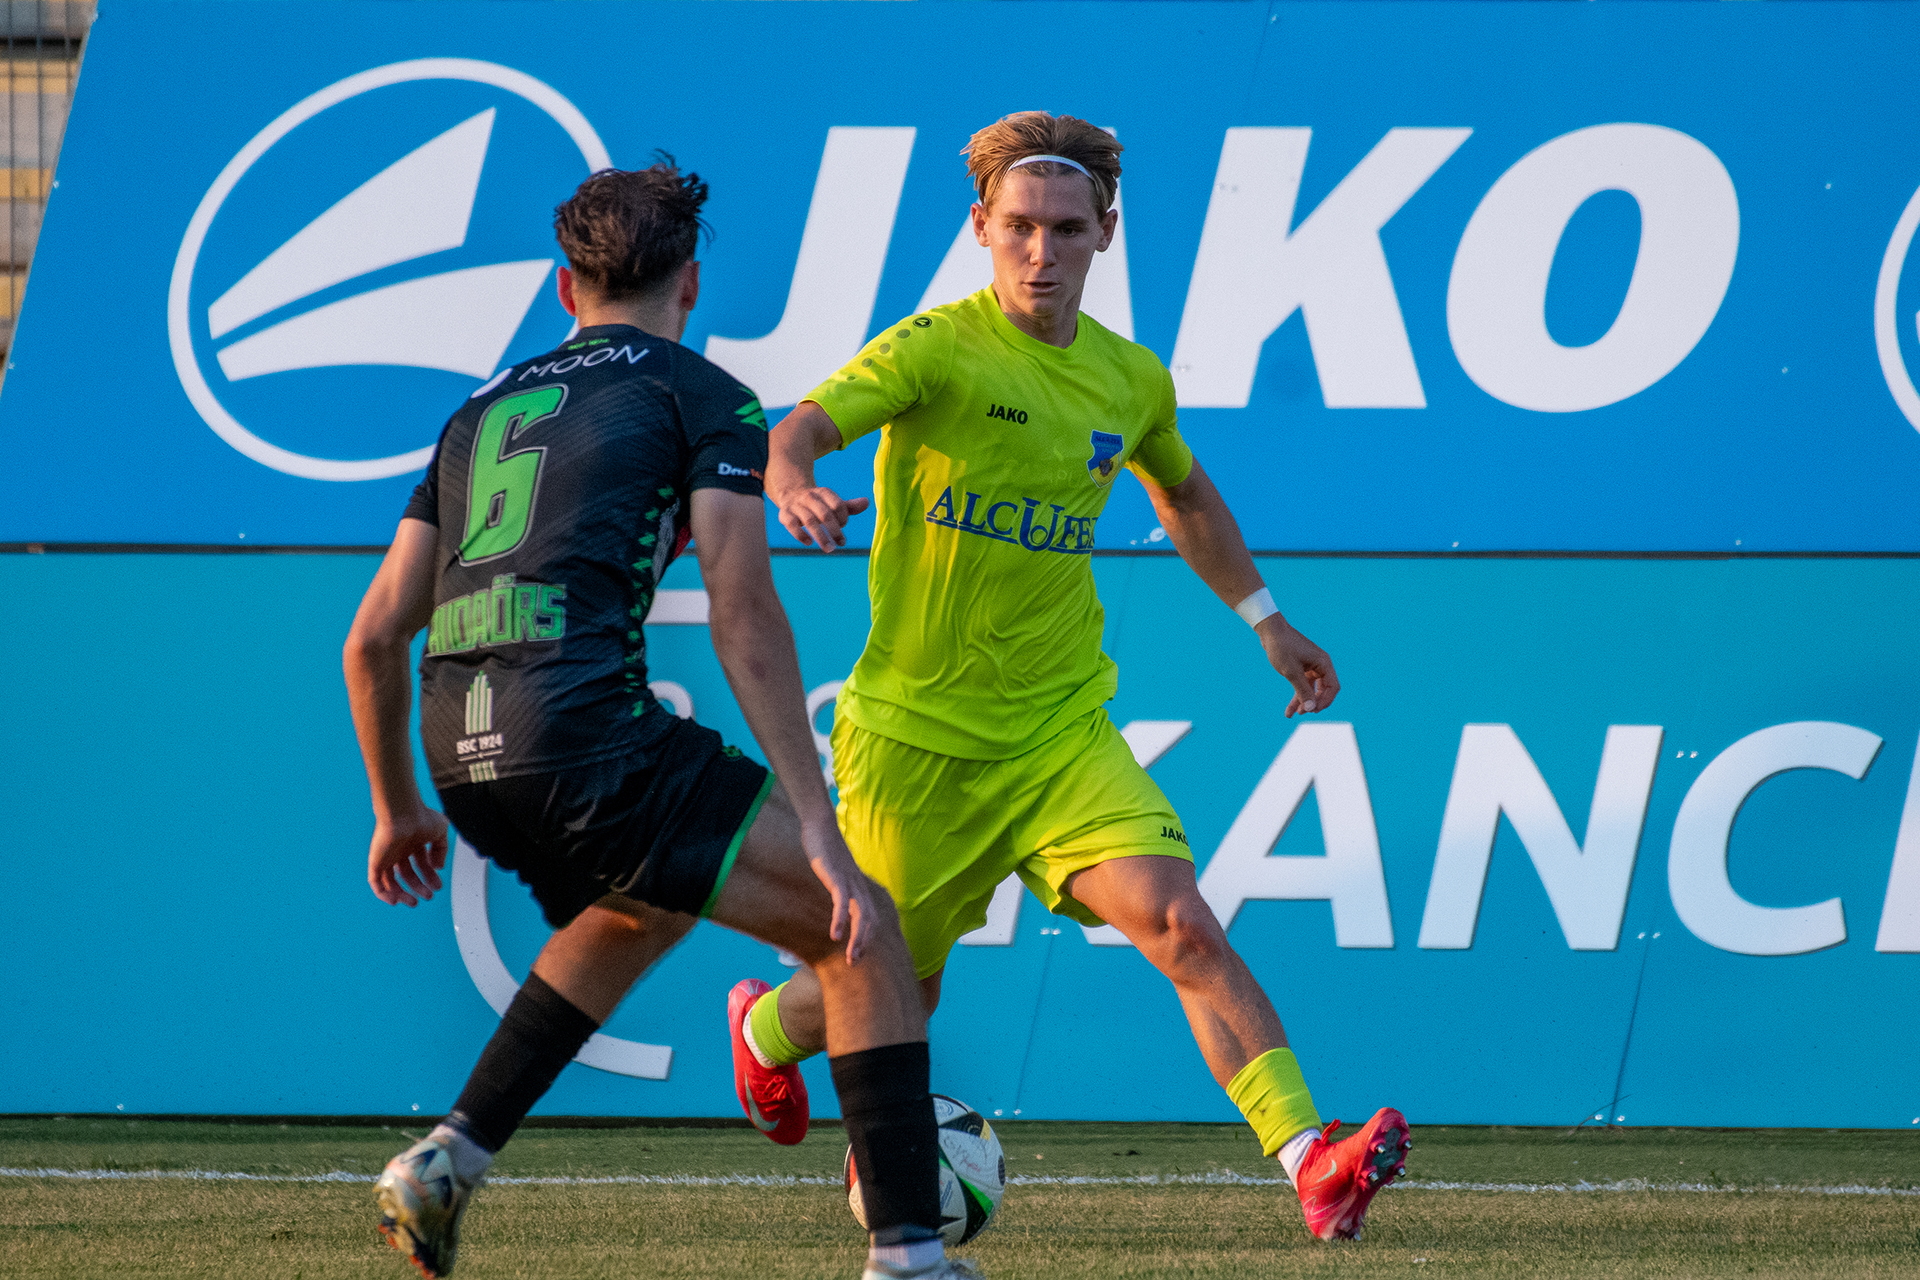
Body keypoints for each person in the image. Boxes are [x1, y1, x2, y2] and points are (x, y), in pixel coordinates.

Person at [725, 113, 1409, 1242]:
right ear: (981, 227)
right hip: (916, 743)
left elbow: (1182, 493)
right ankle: (764, 1034)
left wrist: (1266, 620)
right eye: (1020, 227)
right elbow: (797, 429)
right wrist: (792, 484)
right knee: (899, 986)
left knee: (1183, 922)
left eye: (1066, 229)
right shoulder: (935, 348)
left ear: (1105, 234)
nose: (1041, 251)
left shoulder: (1129, 379)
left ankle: (1311, 1160)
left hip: (1059, 733)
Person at [344, 160, 974, 1280]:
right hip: (585, 734)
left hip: (459, 752)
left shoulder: (476, 415)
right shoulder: (702, 392)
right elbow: (741, 609)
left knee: (642, 905)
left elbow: (373, 637)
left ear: (564, 288)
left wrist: (398, 809)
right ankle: (910, 1257)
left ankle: (446, 1160)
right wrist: (819, 825)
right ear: (689, 281)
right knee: (861, 929)